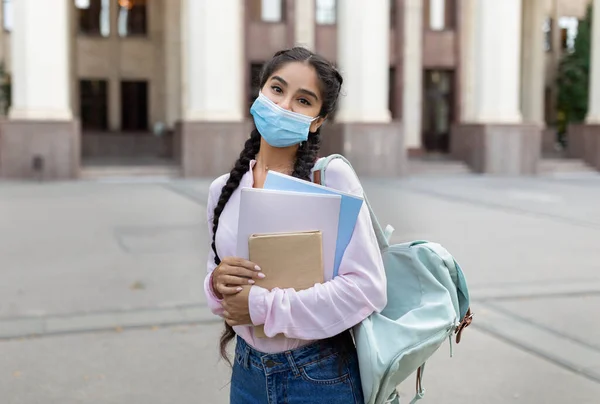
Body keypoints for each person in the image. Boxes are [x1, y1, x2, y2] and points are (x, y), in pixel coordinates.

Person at [204, 47, 387, 404]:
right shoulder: (222, 190)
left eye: (303, 100)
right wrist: (216, 282)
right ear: (260, 92)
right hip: (247, 371)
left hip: (318, 373)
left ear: (317, 120)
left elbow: (366, 289)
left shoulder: (331, 178)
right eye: (277, 89)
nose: (284, 106)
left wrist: (260, 307)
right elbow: (214, 275)